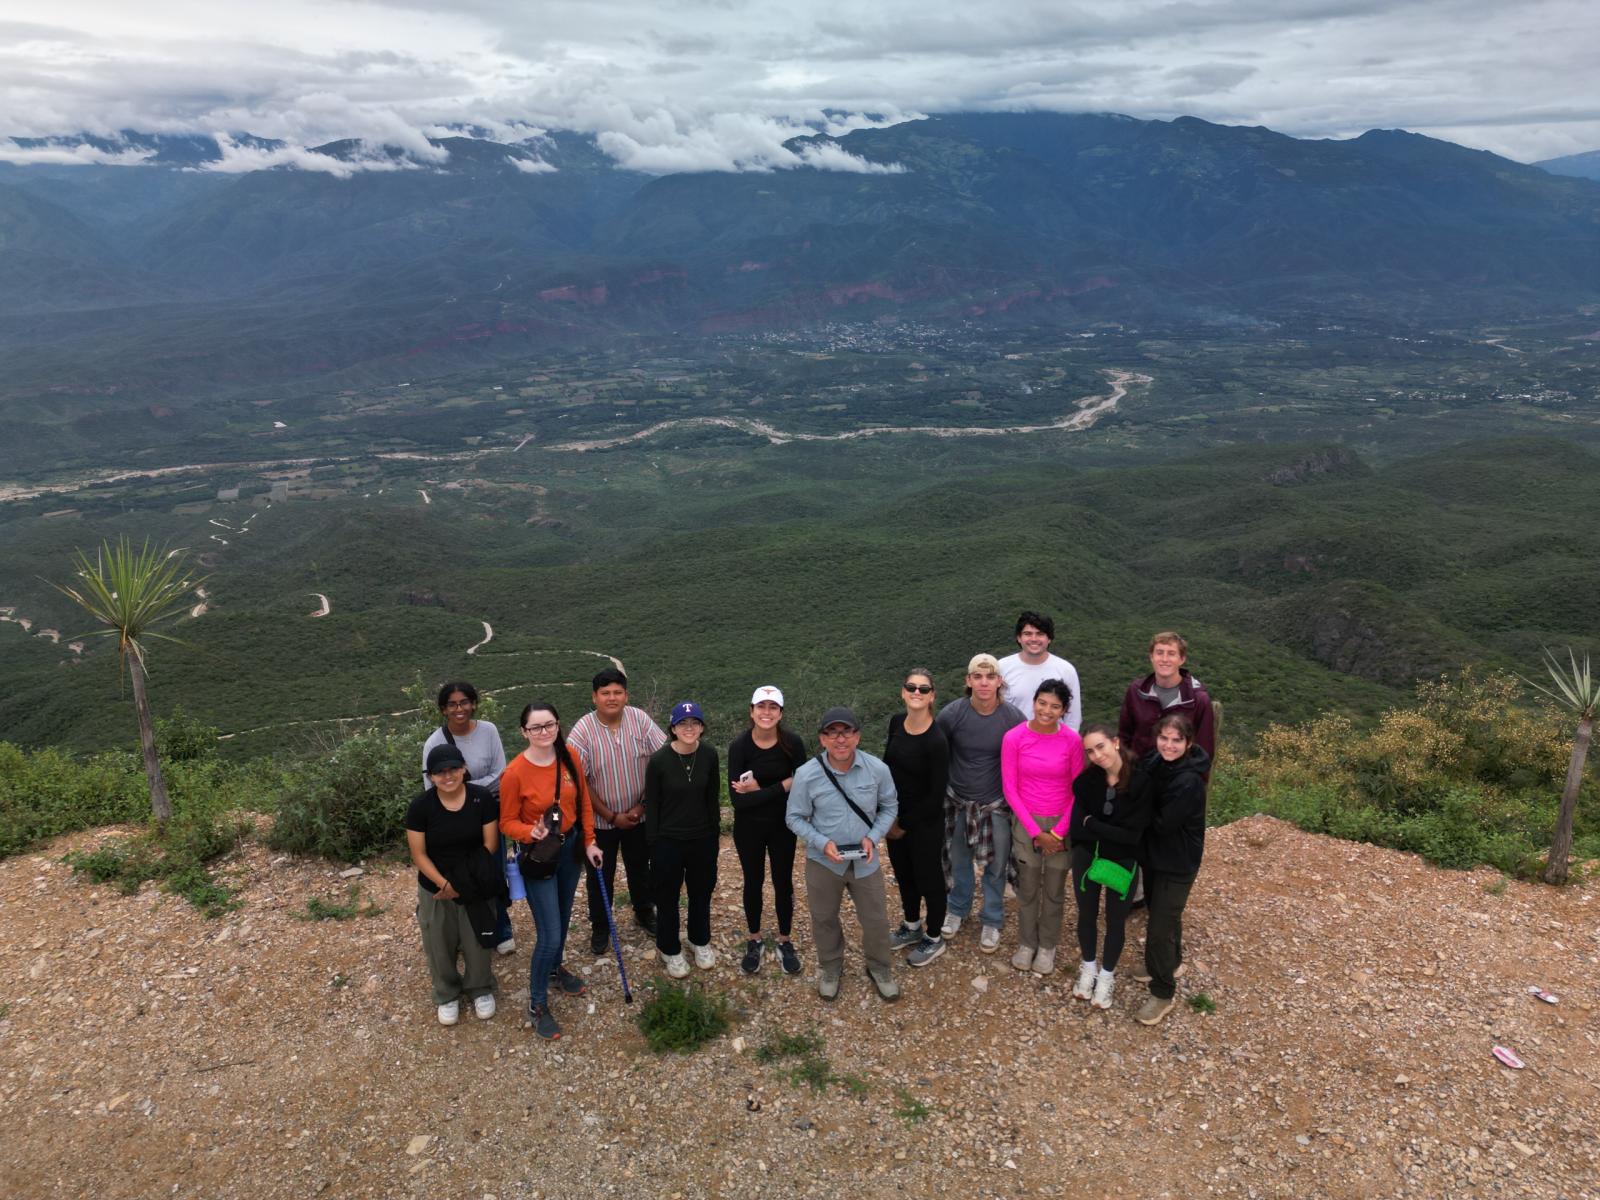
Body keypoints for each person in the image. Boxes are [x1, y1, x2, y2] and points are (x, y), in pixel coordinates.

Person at [500, 701, 603, 1041]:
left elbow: (583, 802)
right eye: (536, 728)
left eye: (550, 725)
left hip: (570, 848)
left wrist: (589, 842)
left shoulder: (570, 756)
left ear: (558, 725)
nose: (544, 732)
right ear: (524, 732)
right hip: (540, 855)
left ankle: (555, 971)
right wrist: (529, 832)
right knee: (550, 934)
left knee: (563, 913)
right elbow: (506, 822)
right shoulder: (515, 773)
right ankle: (537, 1003)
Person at [787, 706, 900, 1002]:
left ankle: (879, 967)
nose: (840, 740)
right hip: (823, 861)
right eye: (832, 733)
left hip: (866, 859)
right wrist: (822, 842)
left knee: (876, 918)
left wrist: (873, 838)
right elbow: (794, 817)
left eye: (846, 732)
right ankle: (830, 967)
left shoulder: (877, 769)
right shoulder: (807, 774)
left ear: (857, 736)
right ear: (822, 739)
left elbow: (890, 807)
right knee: (824, 917)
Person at [567, 668, 667, 956]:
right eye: (605, 693)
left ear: (626, 695)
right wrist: (611, 816)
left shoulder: (639, 719)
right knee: (601, 873)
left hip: (640, 815)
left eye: (617, 692)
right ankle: (600, 925)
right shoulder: (583, 730)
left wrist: (642, 807)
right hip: (600, 820)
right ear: (594, 697)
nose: (612, 698)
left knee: (640, 866)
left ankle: (644, 910)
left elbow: (661, 761)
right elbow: (580, 781)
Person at [406, 743, 502, 1026]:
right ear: (431, 776)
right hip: (435, 886)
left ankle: (480, 987)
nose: (448, 776)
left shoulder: (481, 798)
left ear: (464, 769)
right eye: (440, 772)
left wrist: (461, 882)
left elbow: (490, 844)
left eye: (453, 769)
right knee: (438, 939)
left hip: (475, 880)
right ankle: (446, 991)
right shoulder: (421, 806)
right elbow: (418, 854)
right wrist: (444, 884)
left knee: (477, 936)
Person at [936, 653, 1025, 952]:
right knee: (959, 858)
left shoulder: (1012, 718)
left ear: (999, 681)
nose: (984, 683)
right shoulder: (953, 714)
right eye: (978, 676)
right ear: (968, 680)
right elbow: (937, 749)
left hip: (996, 804)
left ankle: (992, 918)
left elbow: (1023, 757)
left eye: (990, 677)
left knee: (996, 865)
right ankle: (957, 909)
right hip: (959, 801)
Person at [421, 681, 514, 955]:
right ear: (443, 709)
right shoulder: (434, 742)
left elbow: (501, 773)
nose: (459, 708)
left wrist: (465, 791)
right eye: (452, 704)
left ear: (473, 704)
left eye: (464, 702)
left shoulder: (489, 731)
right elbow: (431, 785)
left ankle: (501, 929)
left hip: (488, 814)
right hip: (452, 822)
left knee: (491, 872)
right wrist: (464, 794)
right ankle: (464, 932)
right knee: (458, 874)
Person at [999, 679, 1084, 975]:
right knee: (1028, 887)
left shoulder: (1072, 741)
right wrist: (1037, 833)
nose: (1046, 710)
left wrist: (1058, 832)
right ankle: (1026, 943)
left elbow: (1078, 790)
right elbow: (1010, 788)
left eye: (1055, 706)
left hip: (1062, 823)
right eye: (1042, 703)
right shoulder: (1014, 738)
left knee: (1054, 890)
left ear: (1064, 710)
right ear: (1034, 701)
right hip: (1027, 822)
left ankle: (1047, 946)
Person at [1067, 723, 1153, 1011]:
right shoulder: (1086, 782)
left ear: (1115, 742)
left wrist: (1094, 824)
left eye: (1101, 746)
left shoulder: (1141, 782)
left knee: (1116, 920)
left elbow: (1134, 835)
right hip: (1087, 858)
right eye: (1090, 751)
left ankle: (1106, 977)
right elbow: (1078, 829)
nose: (1096, 755)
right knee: (1087, 914)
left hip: (1123, 863)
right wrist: (1108, 829)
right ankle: (1089, 967)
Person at [1134, 712, 1210, 1026]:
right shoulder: (1156, 762)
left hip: (1177, 862)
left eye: (1176, 740)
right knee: (1163, 913)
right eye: (1164, 738)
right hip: (1155, 856)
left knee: (1158, 929)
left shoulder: (1189, 781)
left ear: (1188, 743)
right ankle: (1170, 962)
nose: (1168, 745)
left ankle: (1163, 990)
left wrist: (1133, 809)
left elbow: (1163, 823)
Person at [728, 685, 806, 975]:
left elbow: (803, 788)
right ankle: (754, 938)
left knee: (783, 882)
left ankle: (785, 939)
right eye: (761, 706)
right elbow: (738, 800)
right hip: (748, 827)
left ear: (781, 713)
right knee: (753, 881)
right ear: (751, 711)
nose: (766, 712)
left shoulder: (792, 744)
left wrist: (760, 790)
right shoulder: (740, 747)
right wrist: (783, 785)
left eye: (773, 707)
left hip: (783, 826)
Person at [645, 701, 723, 978]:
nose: (689, 728)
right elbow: (651, 805)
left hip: (702, 837)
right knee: (667, 896)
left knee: (701, 892)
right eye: (682, 724)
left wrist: (715, 835)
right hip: (668, 839)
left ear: (701, 727)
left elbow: (712, 797)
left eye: (694, 723)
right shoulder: (659, 761)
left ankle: (699, 939)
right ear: (673, 728)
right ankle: (669, 948)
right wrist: (652, 844)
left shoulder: (710, 755)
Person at [882, 668, 952, 968]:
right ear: (902, 691)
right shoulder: (896, 723)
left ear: (932, 696)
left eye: (924, 689)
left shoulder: (936, 740)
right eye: (911, 687)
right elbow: (887, 768)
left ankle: (934, 938)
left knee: (929, 879)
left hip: (924, 822)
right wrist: (886, 815)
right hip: (894, 816)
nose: (917, 693)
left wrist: (901, 824)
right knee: (904, 875)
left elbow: (936, 797)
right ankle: (912, 926)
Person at [1118, 631, 1216, 762]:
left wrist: (1192, 780)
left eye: (1171, 653)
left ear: (1182, 659)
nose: (1164, 659)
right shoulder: (1137, 691)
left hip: (1178, 777)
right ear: (1151, 657)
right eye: (1159, 653)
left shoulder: (1197, 699)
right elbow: (1124, 736)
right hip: (1138, 772)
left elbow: (1205, 748)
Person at [998, 611, 1083, 732]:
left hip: (1052, 743)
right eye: (1028, 634)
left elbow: (1073, 717)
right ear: (1019, 637)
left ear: (1049, 639)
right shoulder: (1002, 667)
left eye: (1040, 634)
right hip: (1013, 742)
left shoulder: (1066, 670)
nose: (1034, 639)